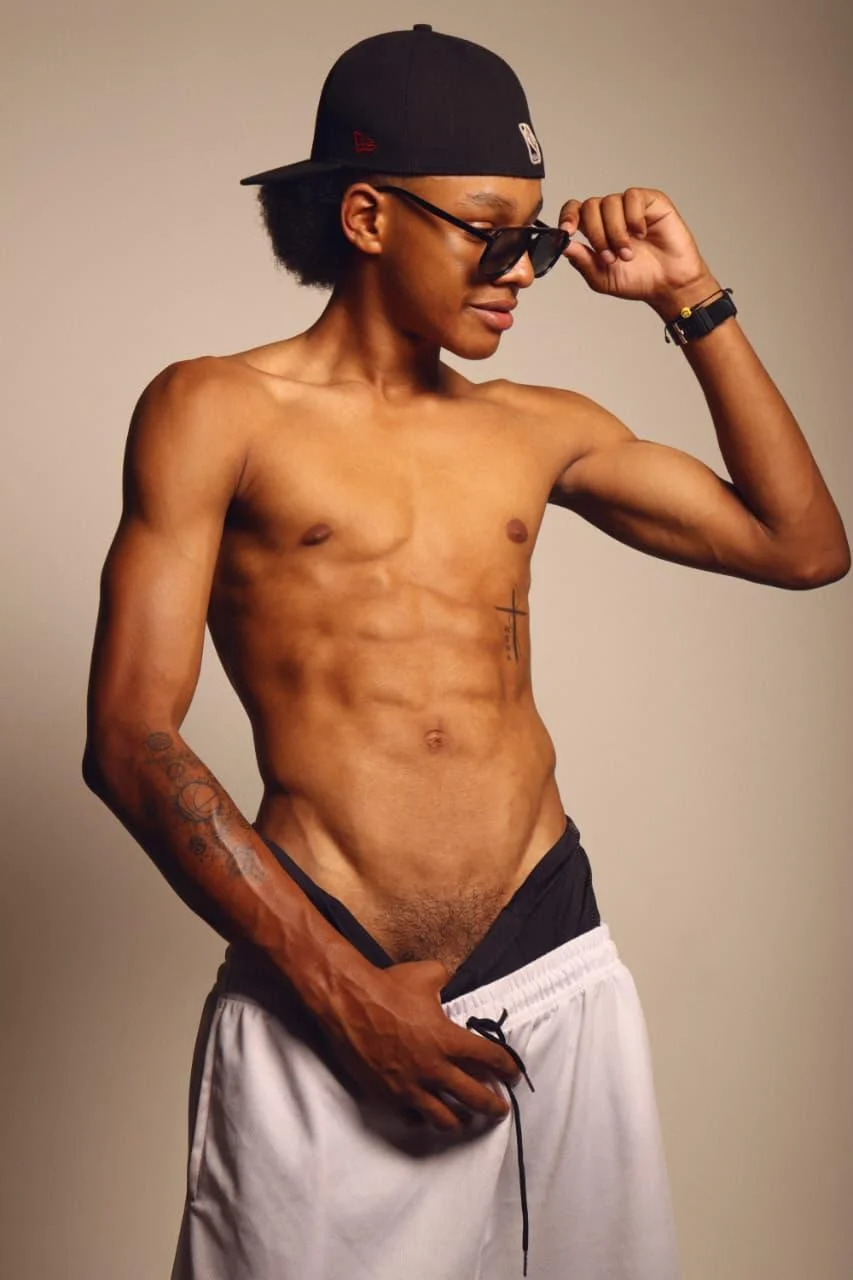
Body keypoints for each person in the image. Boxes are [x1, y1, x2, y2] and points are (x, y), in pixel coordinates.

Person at [81, 23, 849, 1280]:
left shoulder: (539, 427)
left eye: (535, 238)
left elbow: (802, 543)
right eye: (491, 232)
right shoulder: (215, 409)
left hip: (554, 962)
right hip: (322, 989)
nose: (522, 270)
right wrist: (341, 992)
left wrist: (689, 298)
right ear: (369, 216)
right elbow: (128, 739)